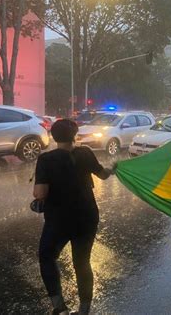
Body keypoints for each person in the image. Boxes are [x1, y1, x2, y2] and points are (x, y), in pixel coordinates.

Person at [33, 119, 113, 315]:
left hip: (59, 219)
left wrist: (38, 195)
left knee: (47, 257)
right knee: (82, 262)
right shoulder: (85, 153)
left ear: (53, 136)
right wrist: (113, 169)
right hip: (87, 215)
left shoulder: (46, 159)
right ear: (75, 135)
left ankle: (59, 307)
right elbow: (103, 175)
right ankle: (84, 309)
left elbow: (40, 193)